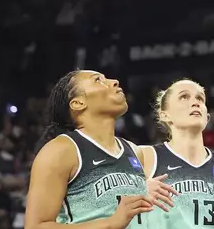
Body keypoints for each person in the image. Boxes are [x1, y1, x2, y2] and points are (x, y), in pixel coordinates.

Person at [25, 70, 176, 229]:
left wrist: (141, 190)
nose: (115, 81)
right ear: (78, 103)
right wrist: (110, 223)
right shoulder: (62, 150)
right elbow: (35, 226)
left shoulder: (133, 151)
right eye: (98, 80)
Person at [141, 79, 214, 229]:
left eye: (200, 98)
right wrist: (138, 190)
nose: (195, 102)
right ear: (165, 115)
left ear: (207, 117)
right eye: (184, 97)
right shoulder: (146, 156)